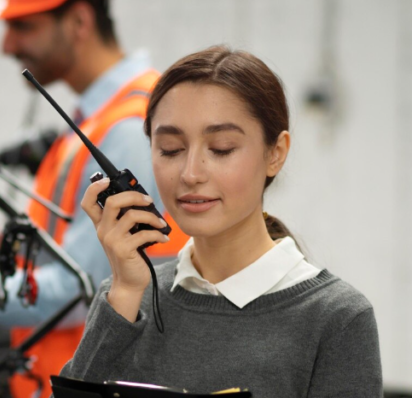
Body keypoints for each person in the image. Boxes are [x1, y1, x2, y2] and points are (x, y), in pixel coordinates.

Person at [62, 46, 382, 396]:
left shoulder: (336, 319)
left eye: (222, 148)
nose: (190, 173)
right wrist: (124, 293)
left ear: (275, 153)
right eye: (170, 149)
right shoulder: (125, 296)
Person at [0, 0, 188, 398]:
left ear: (80, 22)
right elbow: (67, 252)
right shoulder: (95, 121)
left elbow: (75, 291)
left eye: (22, 25)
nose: (8, 45)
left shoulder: (129, 131)